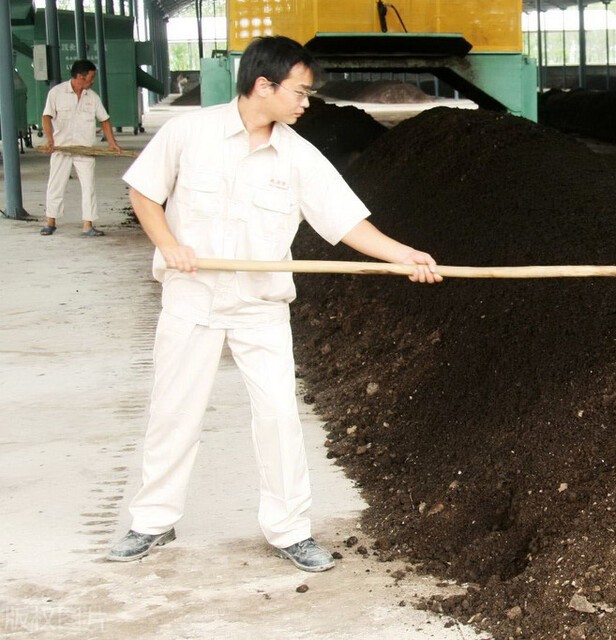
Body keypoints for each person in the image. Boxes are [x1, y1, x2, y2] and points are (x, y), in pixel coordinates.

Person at [109, 35, 442, 573]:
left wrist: (403, 255)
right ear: (264, 85)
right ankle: (152, 520)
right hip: (192, 299)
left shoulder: (298, 154)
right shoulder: (188, 133)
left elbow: (345, 222)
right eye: (300, 91)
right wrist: (169, 245)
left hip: (260, 304)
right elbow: (144, 192)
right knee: (175, 410)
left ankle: (289, 530)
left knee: (279, 416)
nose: (306, 103)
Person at [40, 60, 121, 237]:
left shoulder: (92, 97)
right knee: (55, 184)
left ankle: (88, 225)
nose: (92, 81)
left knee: (88, 186)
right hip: (61, 148)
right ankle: (50, 222)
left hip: (85, 149)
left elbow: (104, 120)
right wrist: (50, 140)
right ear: (80, 76)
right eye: (91, 77)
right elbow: (46, 117)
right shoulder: (57, 93)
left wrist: (112, 143)